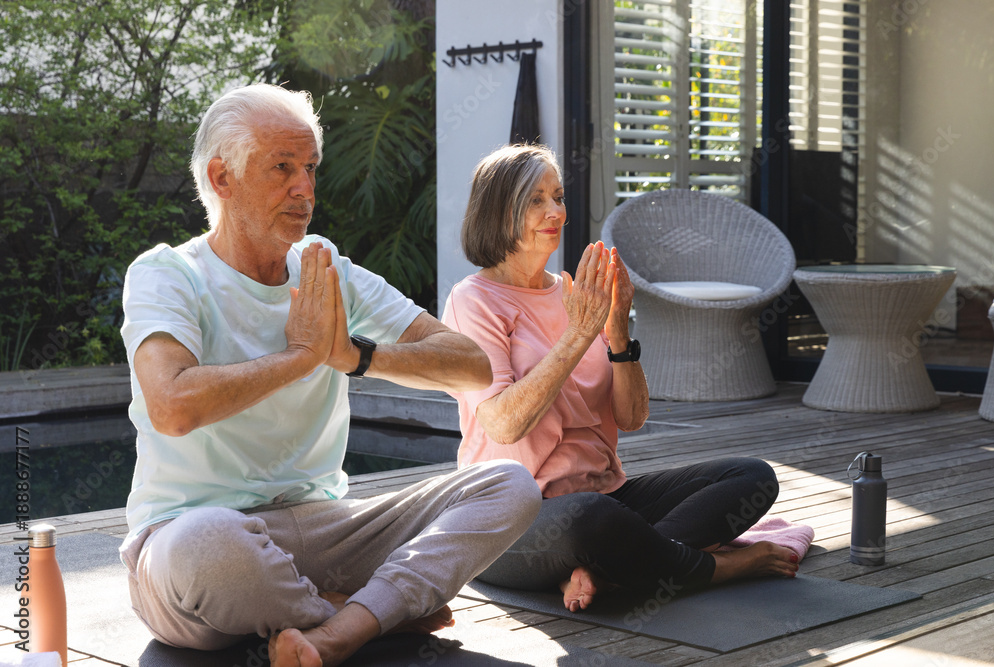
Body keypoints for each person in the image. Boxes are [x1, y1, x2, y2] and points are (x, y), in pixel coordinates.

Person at [118, 84, 541, 667]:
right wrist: (301, 356)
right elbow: (172, 405)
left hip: (321, 529)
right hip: (190, 542)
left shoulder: (324, 265)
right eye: (282, 168)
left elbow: (471, 365)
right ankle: (367, 614)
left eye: (311, 168)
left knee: (508, 485)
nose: (304, 189)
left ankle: (337, 628)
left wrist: (357, 356)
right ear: (221, 178)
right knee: (209, 543)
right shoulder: (168, 273)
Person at [441, 144, 799, 613]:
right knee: (594, 519)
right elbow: (505, 425)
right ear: (498, 211)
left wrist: (616, 333)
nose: (555, 212)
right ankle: (719, 568)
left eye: (559, 196)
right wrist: (580, 333)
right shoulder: (474, 301)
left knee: (752, 477)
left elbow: (631, 418)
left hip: (604, 495)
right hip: (509, 517)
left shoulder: (575, 292)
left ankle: (605, 571)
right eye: (536, 200)